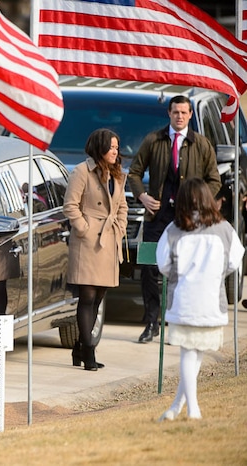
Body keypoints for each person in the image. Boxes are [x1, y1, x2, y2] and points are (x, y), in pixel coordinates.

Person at [128, 95, 221, 343]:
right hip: (157, 216)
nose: (179, 116)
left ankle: (178, 322)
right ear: (169, 114)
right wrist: (143, 196)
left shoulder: (201, 144)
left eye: (184, 112)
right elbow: (134, 172)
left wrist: (198, 203)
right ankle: (151, 322)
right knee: (150, 269)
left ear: (190, 115)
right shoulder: (154, 140)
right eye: (175, 112)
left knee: (185, 269)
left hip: (188, 219)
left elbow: (215, 180)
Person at [156, 178, 244, 421]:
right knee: (196, 352)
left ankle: (191, 409)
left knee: (188, 352)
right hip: (211, 300)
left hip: (183, 299)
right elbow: (235, 261)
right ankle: (178, 407)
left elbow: (163, 263)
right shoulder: (224, 228)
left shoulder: (173, 230)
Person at [63, 128, 128, 370]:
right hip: (87, 243)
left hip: (109, 241)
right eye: (111, 147)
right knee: (87, 297)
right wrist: (84, 228)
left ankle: (79, 347)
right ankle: (89, 352)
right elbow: (70, 206)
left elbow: (122, 207)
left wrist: (120, 228)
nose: (115, 151)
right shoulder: (81, 171)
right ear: (99, 147)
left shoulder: (118, 175)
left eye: (117, 147)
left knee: (99, 297)